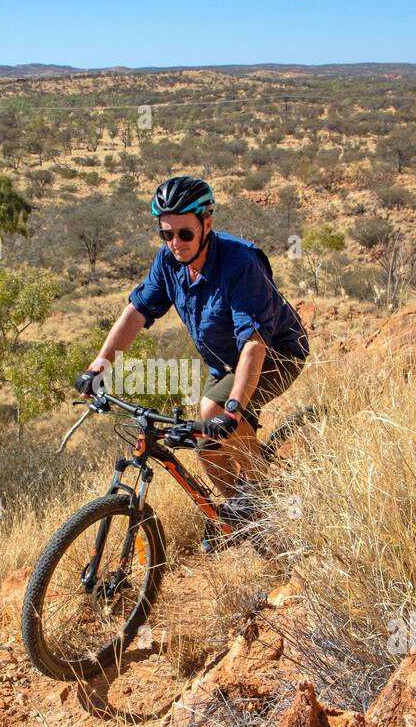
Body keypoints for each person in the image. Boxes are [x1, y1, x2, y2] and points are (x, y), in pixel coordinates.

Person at [74, 175, 309, 529]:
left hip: (277, 352)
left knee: (213, 410)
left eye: (184, 233)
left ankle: (267, 496)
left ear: (207, 224)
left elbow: (253, 343)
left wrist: (231, 411)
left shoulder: (239, 264)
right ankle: (244, 517)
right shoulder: (169, 262)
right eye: (166, 234)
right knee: (206, 442)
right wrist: (98, 367)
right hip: (227, 363)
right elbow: (137, 311)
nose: (175, 243)